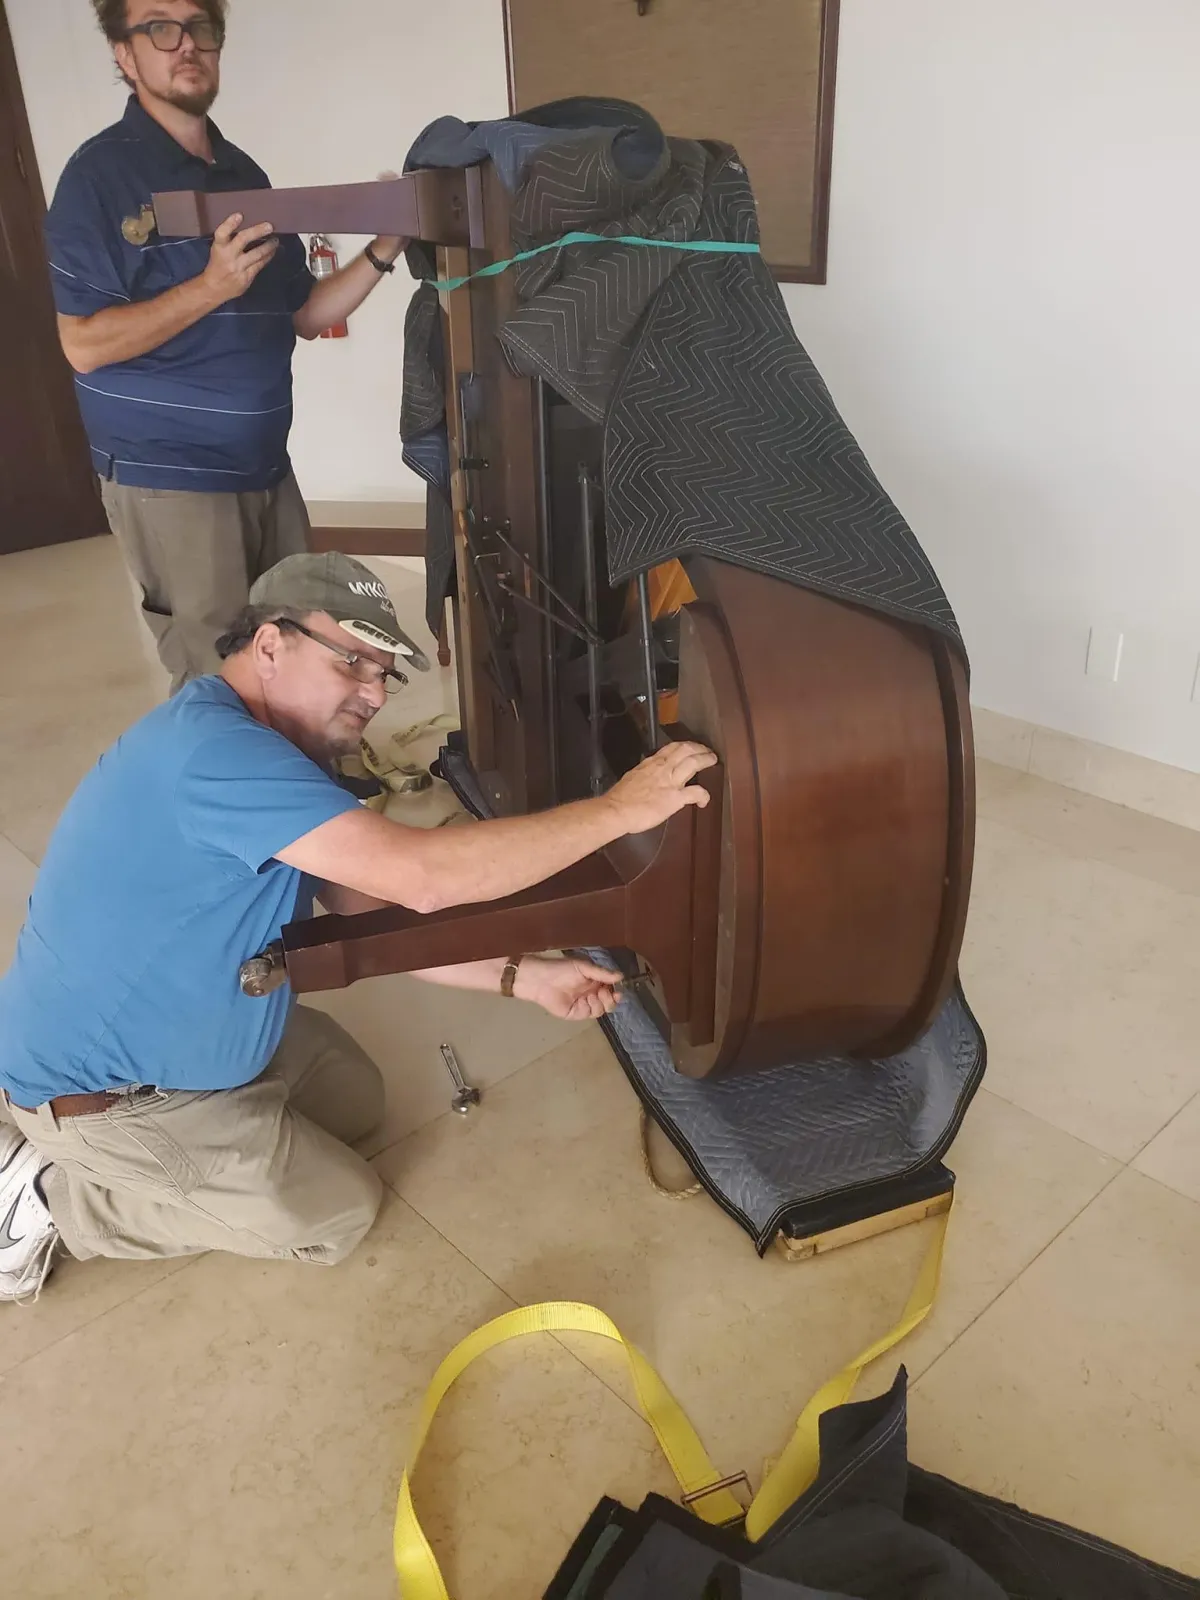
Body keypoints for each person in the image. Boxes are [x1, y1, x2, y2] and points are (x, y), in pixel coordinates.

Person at [0, 553, 716, 1302]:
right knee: (338, 1212)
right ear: (270, 647)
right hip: (112, 1093)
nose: (375, 693)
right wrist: (617, 812)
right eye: (353, 662)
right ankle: (44, 1200)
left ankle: (201, 1151)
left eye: (386, 673)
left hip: (214, 1044)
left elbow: (372, 913)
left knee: (359, 1104)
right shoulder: (215, 757)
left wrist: (525, 977)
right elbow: (424, 877)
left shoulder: (279, 754)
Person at [46, 0, 408, 691]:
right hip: (171, 476)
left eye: (201, 28)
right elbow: (84, 346)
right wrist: (210, 287)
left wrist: (385, 248)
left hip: (266, 466)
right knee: (220, 669)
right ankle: (229, 797)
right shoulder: (95, 180)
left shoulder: (244, 175)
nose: (186, 44)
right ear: (125, 56)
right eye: (160, 28)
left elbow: (303, 313)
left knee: (301, 641)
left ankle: (304, 793)